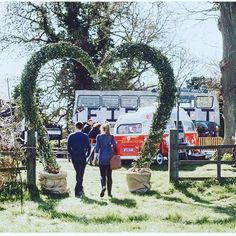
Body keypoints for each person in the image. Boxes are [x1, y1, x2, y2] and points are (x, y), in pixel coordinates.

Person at [67, 121, 91, 198]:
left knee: (78, 173)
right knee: (80, 174)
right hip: (82, 156)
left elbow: (68, 148)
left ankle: (80, 188)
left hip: (74, 157)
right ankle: (77, 191)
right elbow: (89, 147)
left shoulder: (71, 136)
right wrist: (87, 154)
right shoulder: (85, 136)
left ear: (75, 126)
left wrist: (72, 154)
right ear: (82, 127)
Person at [93, 122, 117, 198]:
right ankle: (109, 193)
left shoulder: (99, 137)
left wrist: (94, 159)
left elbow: (97, 149)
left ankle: (103, 186)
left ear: (102, 129)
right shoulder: (111, 137)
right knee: (109, 176)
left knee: (102, 175)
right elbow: (115, 146)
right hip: (110, 158)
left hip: (102, 158)